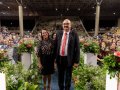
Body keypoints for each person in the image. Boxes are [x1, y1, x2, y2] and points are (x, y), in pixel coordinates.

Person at [55, 19, 80, 90]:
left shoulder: (74, 34)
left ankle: (67, 88)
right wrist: (54, 58)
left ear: (70, 25)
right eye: (64, 24)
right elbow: (56, 46)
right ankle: (61, 88)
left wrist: (76, 61)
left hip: (69, 59)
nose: (66, 25)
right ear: (62, 25)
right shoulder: (59, 33)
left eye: (67, 24)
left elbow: (77, 48)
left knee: (68, 76)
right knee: (60, 76)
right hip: (59, 58)